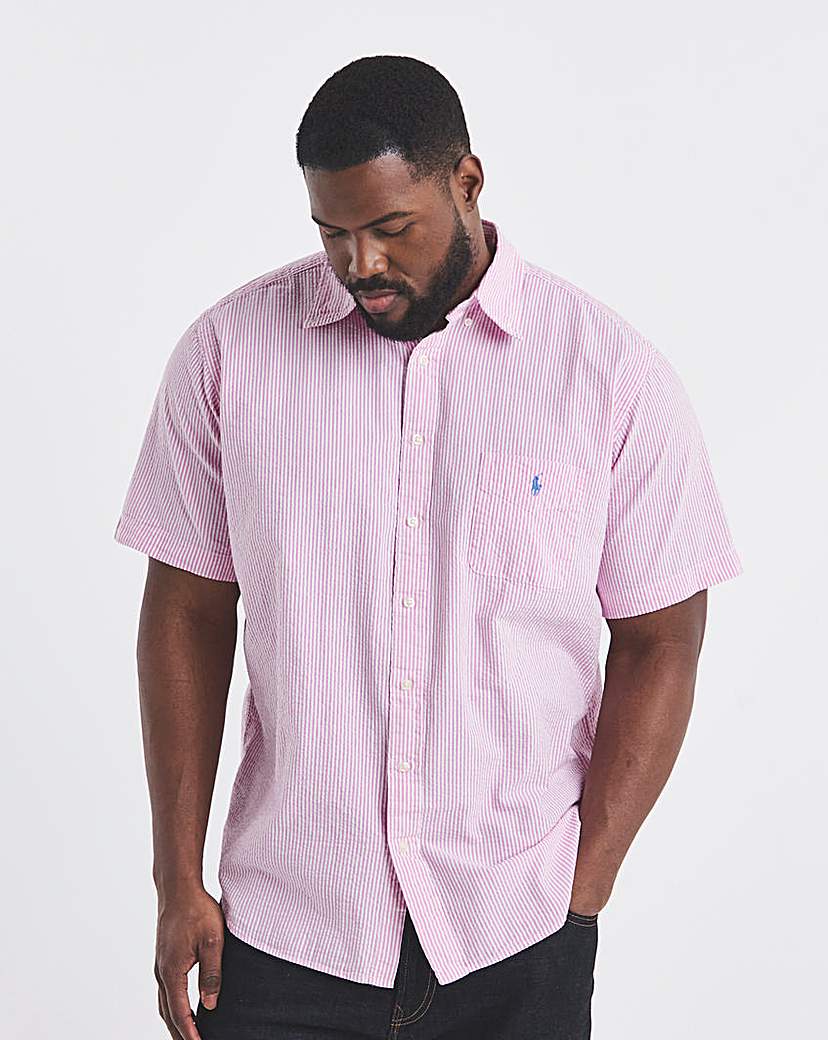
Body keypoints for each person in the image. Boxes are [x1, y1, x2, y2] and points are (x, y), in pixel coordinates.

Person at [114, 54, 744, 1040]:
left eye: (390, 228)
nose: (361, 263)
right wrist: (176, 880)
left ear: (467, 182)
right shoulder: (229, 355)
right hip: (286, 930)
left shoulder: (609, 375)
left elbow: (662, 637)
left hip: (515, 931)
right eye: (333, 234)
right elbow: (187, 613)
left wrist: (584, 887)